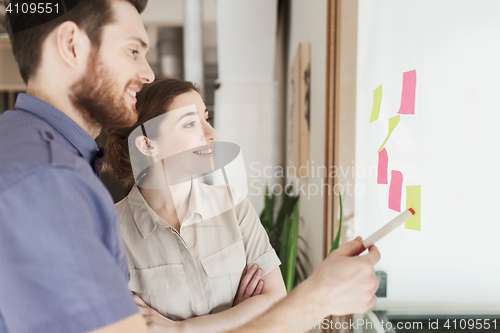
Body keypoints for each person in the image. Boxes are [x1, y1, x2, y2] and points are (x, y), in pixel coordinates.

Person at [0, 0, 380, 332]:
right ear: (71, 45)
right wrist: (318, 299)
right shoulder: (47, 181)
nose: (147, 73)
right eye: (133, 50)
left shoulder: (47, 161)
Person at [105, 77, 287, 333]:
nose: (211, 134)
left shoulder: (233, 206)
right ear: (147, 144)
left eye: (206, 119)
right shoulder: (108, 232)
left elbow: (275, 303)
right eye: (190, 124)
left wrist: (179, 329)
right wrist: (237, 316)